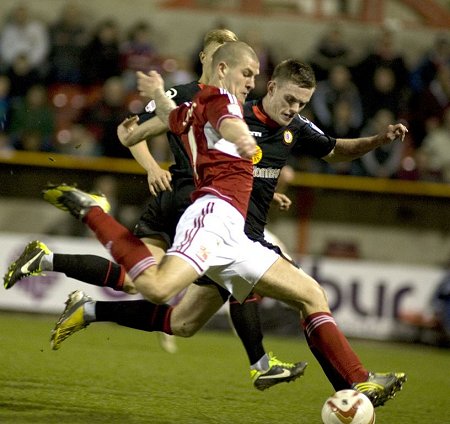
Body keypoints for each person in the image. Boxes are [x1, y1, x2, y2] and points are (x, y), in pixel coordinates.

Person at [31, 41, 407, 406]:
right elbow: (228, 123)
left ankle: (359, 382)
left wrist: (161, 96)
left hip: (239, 234)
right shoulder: (224, 102)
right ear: (224, 69)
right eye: (248, 73)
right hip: (212, 218)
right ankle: (93, 212)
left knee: (307, 296)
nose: (251, 81)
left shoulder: (198, 106)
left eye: (256, 75)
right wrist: (240, 138)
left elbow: (173, 119)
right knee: (157, 288)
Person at [4, 30, 306, 392]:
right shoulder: (195, 99)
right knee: (220, 281)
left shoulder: (230, 100)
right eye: (216, 55)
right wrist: (150, 165)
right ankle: (260, 365)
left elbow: (225, 160)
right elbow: (133, 133)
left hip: (211, 204)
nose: (246, 78)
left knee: (181, 318)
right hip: (184, 202)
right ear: (211, 60)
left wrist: (263, 191)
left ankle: (72, 287)